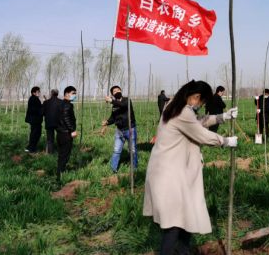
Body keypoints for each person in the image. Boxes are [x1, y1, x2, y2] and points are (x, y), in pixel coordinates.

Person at [143, 80, 238, 254]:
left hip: (169, 171)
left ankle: (184, 252)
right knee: (174, 224)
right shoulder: (182, 112)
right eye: (202, 102)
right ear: (196, 97)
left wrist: (222, 117)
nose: (201, 106)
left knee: (185, 219)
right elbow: (201, 134)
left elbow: (197, 121)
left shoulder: (174, 106)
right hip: (169, 175)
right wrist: (225, 141)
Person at [101, 85, 138, 172]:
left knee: (132, 150)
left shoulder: (126, 100)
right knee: (116, 150)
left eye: (118, 90)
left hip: (130, 129)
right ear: (112, 94)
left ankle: (134, 168)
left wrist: (111, 101)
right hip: (119, 131)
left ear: (121, 91)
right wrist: (107, 122)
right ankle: (113, 169)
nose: (117, 91)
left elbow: (123, 105)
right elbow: (113, 117)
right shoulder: (114, 105)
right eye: (114, 91)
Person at [56, 86, 78, 182]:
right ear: (66, 94)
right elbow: (66, 118)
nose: (74, 95)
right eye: (73, 93)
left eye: (75, 93)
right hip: (66, 134)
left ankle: (59, 172)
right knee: (65, 155)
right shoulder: (68, 105)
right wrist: (72, 130)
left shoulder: (60, 104)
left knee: (61, 154)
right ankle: (61, 175)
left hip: (60, 133)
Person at [43, 89, 63, 154]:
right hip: (59, 123)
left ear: (51, 94)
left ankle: (50, 153)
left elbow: (42, 112)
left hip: (49, 123)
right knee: (60, 137)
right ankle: (61, 151)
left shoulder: (46, 102)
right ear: (57, 94)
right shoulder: (61, 102)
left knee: (50, 139)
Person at [25, 86, 43, 153]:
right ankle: (32, 149)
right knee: (36, 134)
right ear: (33, 92)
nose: (39, 93)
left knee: (33, 134)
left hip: (34, 120)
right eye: (38, 92)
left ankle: (29, 147)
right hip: (35, 120)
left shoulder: (33, 98)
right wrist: (43, 107)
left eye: (39, 91)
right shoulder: (34, 99)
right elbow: (35, 109)